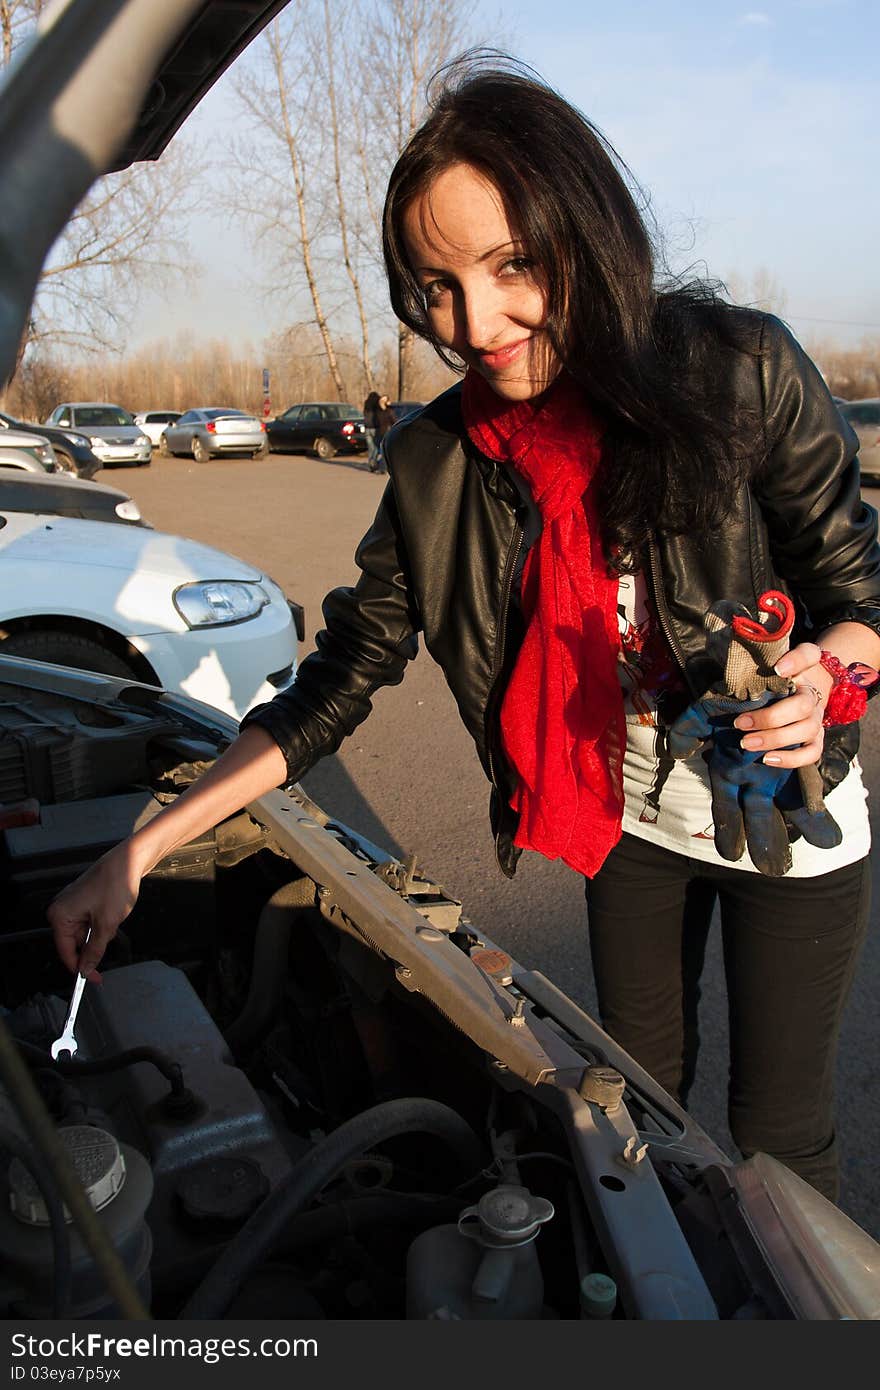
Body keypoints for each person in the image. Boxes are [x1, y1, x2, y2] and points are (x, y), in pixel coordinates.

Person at [48, 58, 880, 1203]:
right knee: (642, 1111)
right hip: (623, 818)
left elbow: (857, 590)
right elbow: (337, 677)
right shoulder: (437, 463)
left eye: (511, 266)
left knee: (780, 1145)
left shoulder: (739, 373)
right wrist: (137, 849)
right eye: (434, 284)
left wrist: (823, 676)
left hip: (787, 813)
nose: (473, 323)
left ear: (583, 234)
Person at [372, 394, 397, 474]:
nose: (381, 402)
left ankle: (383, 468)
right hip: (379, 433)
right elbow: (375, 422)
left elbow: (394, 421)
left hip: (387, 433)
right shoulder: (377, 411)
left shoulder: (389, 411)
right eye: (381, 401)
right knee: (378, 451)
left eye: (383, 401)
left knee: (383, 452)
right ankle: (377, 466)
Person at [363, 390, 381, 470]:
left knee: (370, 448)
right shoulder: (376, 407)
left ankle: (370, 464)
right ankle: (374, 462)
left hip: (367, 428)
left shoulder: (366, 406)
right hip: (375, 428)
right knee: (376, 447)